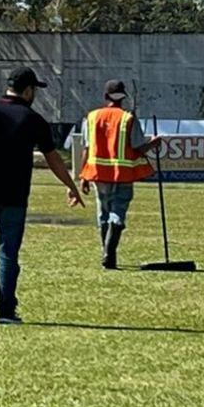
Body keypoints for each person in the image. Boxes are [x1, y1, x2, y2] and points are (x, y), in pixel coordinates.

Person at [0, 66, 84, 323]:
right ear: (29, 90)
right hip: (15, 198)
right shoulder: (34, 120)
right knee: (8, 253)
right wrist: (71, 185)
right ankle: (7, 311)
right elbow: (53, 158)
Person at [78, 79, 161, 269]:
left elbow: (86, 149)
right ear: (123, 97)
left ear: (106, 96)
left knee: (103, 213)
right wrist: (154, 143)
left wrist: (83, 176)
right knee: (118, 212)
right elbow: (138, 149)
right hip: (122, 174)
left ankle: (106, 252)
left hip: (98, 174)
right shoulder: (128, 119)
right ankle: (110, 252)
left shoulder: (91, 117)